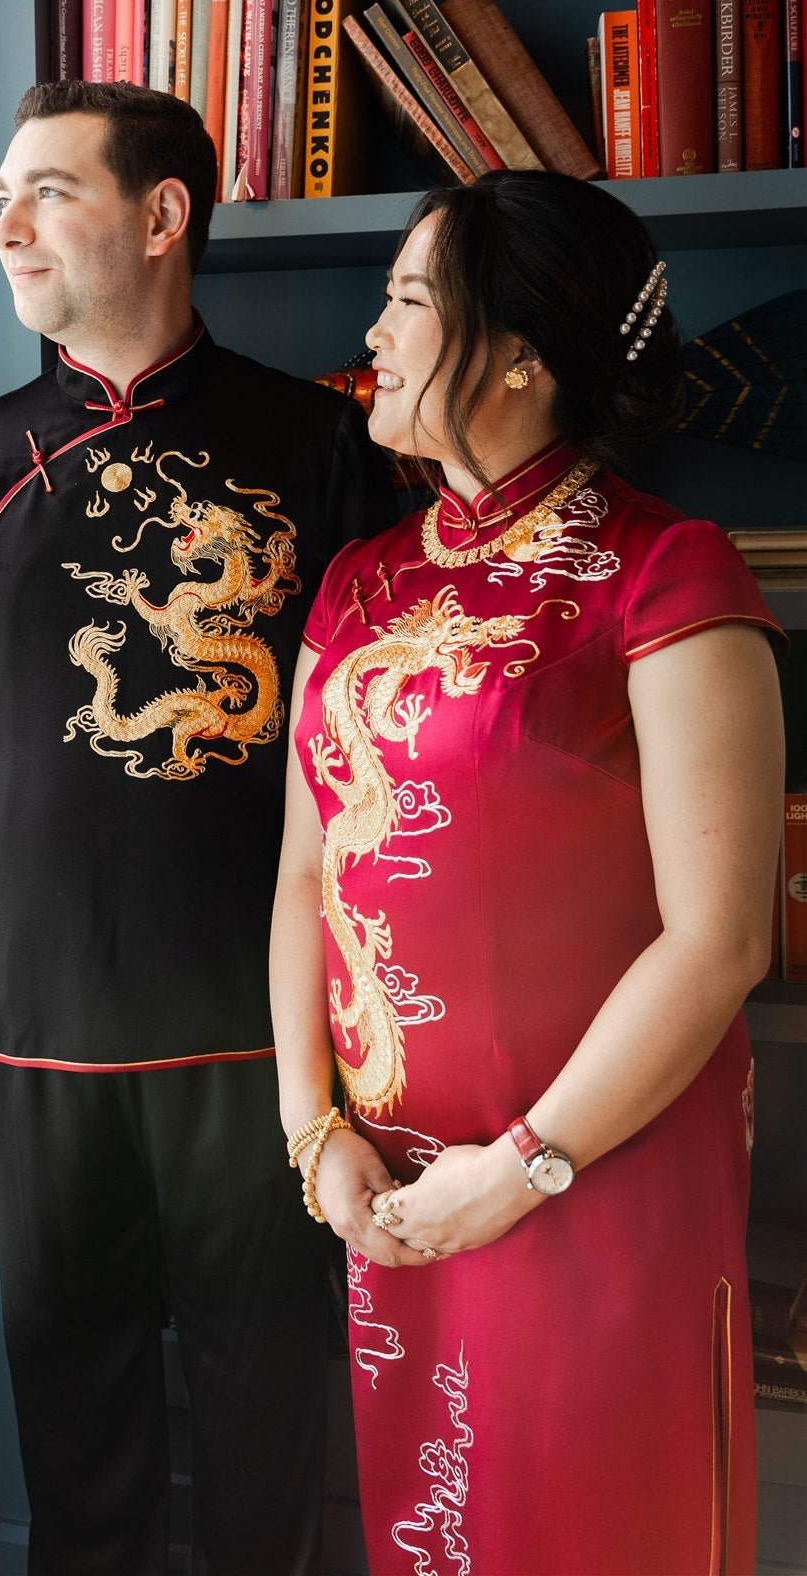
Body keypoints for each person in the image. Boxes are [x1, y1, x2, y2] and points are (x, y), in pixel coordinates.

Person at [0, 80, 396, 1573]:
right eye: (1, 196)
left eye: (45, 192)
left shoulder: (318, 450)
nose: (3, 227)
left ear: (162, 216)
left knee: (266, 1410)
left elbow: (377, 753)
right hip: (35, 1035)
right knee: (76, 1418)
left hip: (268, 1039)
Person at [271, 170, 785, 1576]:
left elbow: (719, 939)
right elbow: (302, 874)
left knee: (593, 1525)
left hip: (595, 1166)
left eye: (407, 300)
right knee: (437, 1529)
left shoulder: (667, 576)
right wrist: (313, 1132)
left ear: (516, 352)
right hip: (396, 1188)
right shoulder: (360, 581)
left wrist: (524, 1168)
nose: (370, 332)